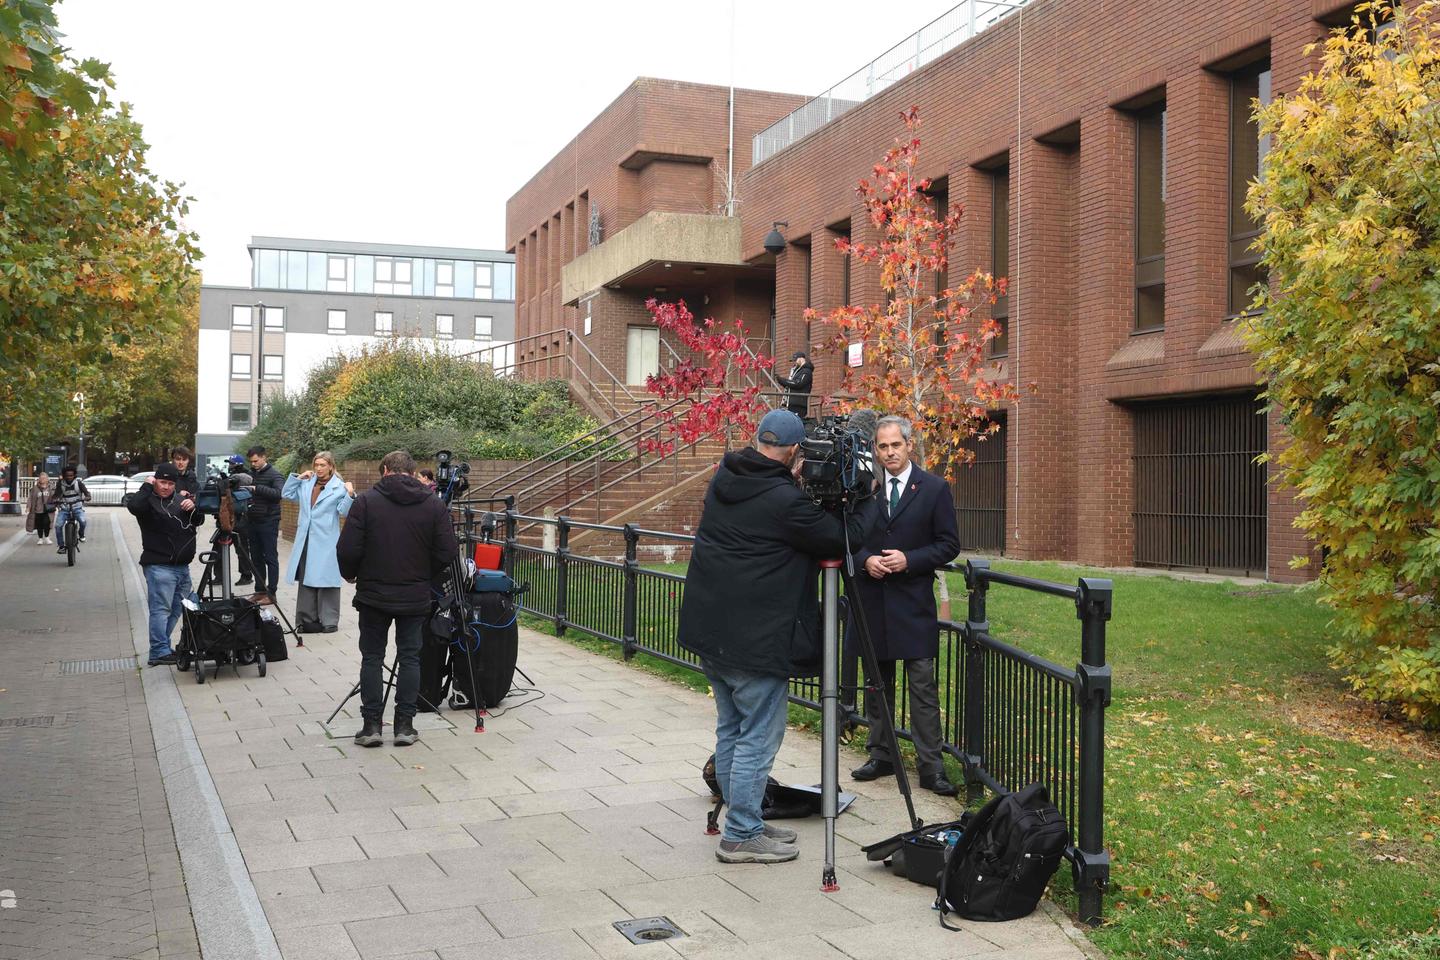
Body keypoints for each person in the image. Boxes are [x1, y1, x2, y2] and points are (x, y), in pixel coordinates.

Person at [677, 409, 865, 864]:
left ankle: (746, 821)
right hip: (753, 642)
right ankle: (741, 834)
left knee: (731, 729)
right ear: (795, 452)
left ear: (758, 440)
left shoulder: (727, 475)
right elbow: (840, 540)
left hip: (713, 631)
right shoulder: (782, 499)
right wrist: (865, 497)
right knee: (757, 737)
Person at [848, 415, 962, 796]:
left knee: (923, 688)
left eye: (896, 445)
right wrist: (865, 559)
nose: (890, 452)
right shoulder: (864, 489)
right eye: (882, 446)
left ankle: (931, 766)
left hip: (913, 603)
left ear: (909, 445)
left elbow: (948, 544)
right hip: (873, 600)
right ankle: (880, 753)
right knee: (877, 684)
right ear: (875, 450)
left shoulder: (933, 489)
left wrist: (909, 559)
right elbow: (847, 538)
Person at [337, 449, 457, 748]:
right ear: (412, 471)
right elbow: (447, 552)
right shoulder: (432, 504)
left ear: (386, 470)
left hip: (374, 593)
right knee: (410, 658)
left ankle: (371, 726)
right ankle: (404, 725)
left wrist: (351, 573)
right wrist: (423, 575)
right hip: (414, 594)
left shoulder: (366, 501)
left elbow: (348, 548)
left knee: (372, 657)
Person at [127, 462, 205, 666]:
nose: (166, 487)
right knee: (161, 609)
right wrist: (146, 485)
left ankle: (161, 646)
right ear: (155, 481)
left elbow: (198, 522)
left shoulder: (181, 500)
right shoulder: (147, 502)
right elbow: (133, 507)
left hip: (182, 567)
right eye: (162, 482)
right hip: (159, 566)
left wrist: (195, 509)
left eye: (170, 483)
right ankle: (158, 651)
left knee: (179, 609)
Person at [282, 451, 356, 633]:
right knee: (306, 579)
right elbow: (287, 494)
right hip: (305, 538)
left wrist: (350, 494)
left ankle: (329, 620)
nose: (319, 469)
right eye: (316, 465)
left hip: (326, 540)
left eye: (323, 465)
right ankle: (307, 620)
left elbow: (344, 512)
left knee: (327, 580)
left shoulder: (339, 487)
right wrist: (298, 478)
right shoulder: (306, 483)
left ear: (331, 466)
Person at [244, 446, 284, 604]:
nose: (253, 464)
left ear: (264, 457)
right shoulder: (250, 474)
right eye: (251, 461)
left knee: (270, 557)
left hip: (269, 521)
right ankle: (260, 590)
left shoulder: (275, 474)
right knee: (256, 558)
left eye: (255, 461)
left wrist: (256, 488)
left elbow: (279, 494)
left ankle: (271, 593)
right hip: (252, 521)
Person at [49, 465, 91, 554]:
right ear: (64, 475)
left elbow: (87, 493)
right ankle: (61, 546)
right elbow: (56, 495)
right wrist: (54, 499)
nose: (69, 477)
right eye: (67, 475)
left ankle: (81, 534)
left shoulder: (78, 483)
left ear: (74, 475)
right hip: (64, 508)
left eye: (71, 475)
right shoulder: (61, 484)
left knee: (83, 521)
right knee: (58, 526)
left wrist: (87, 497)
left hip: (77, 507)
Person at [776, 351, 814, 419]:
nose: (795, 362)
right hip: (791, 404)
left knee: (796, 422)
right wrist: (781, 381)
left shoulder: (807, 371)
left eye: (796, 360)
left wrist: (783, 380)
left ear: (801, 359)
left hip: (799, 404)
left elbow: (798, 383)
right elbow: (792, 385)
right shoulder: (797, 371)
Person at [26, 472, 54, 545]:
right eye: (41, 478)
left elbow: (55, 497)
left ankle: (47, 537)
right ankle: (40, 539)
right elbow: (30, 498)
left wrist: (58, 505)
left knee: (47, 524)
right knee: (39, 525)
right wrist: (28, 507)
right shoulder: (35, 488)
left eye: (44, 478)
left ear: (47, 479)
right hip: (38, 510)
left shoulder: (51, 487)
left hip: (48, 510)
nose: (42, 480)